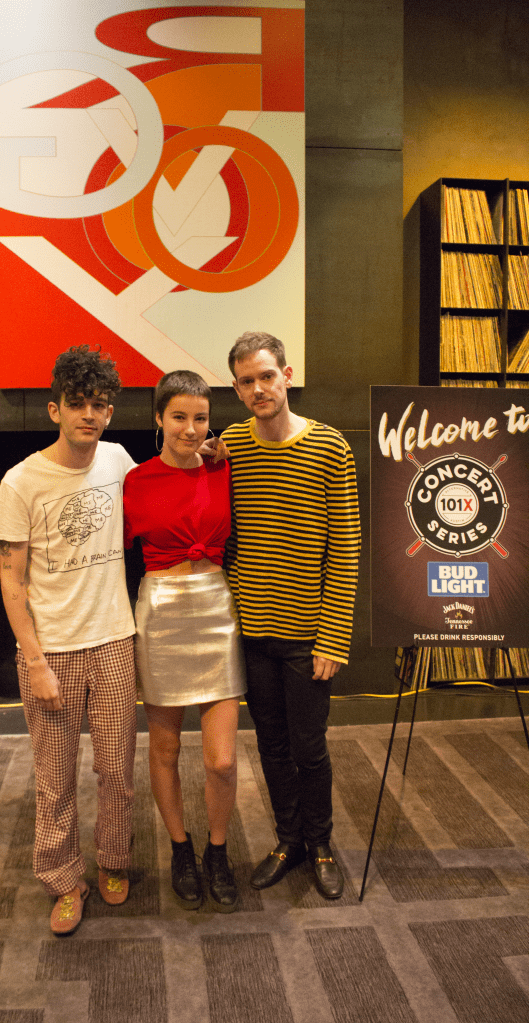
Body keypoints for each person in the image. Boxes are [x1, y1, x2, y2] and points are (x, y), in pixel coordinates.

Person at [0, 345, 137, 936]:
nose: (89, 415)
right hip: (51, 651)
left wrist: (209, 452)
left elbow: (167, 484)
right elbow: (11, 579)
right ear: (55, 409)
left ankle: (114, 860)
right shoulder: (21, 480)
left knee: (117, 771)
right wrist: (34, 661)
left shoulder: (120, 460)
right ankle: (63, 880)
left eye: (99, 405)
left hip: (115, 640)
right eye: (77, 404)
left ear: (109, 412)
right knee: (55, 779)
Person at [221, 331, 361, 898]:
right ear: (237, 389)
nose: (258, 388)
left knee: (310, 748)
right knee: (271, 747)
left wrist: (334, 638)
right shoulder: (231, 445)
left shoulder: (330, 447)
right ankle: (289, 841)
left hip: (308, 638)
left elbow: (345, 549)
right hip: (252, 634)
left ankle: (321, 843)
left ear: (287, 375)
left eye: (266, 376)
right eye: (247, 381)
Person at [123, 370, 246, 913]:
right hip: (161, 613)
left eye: (200, 418)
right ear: (158, 418)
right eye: (179, 417)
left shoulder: (225, 468)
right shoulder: (135, 480)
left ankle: (218, 851)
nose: (191, 429)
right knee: (166, 749)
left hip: (216, 609)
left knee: (222, 761)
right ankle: (180, 847)